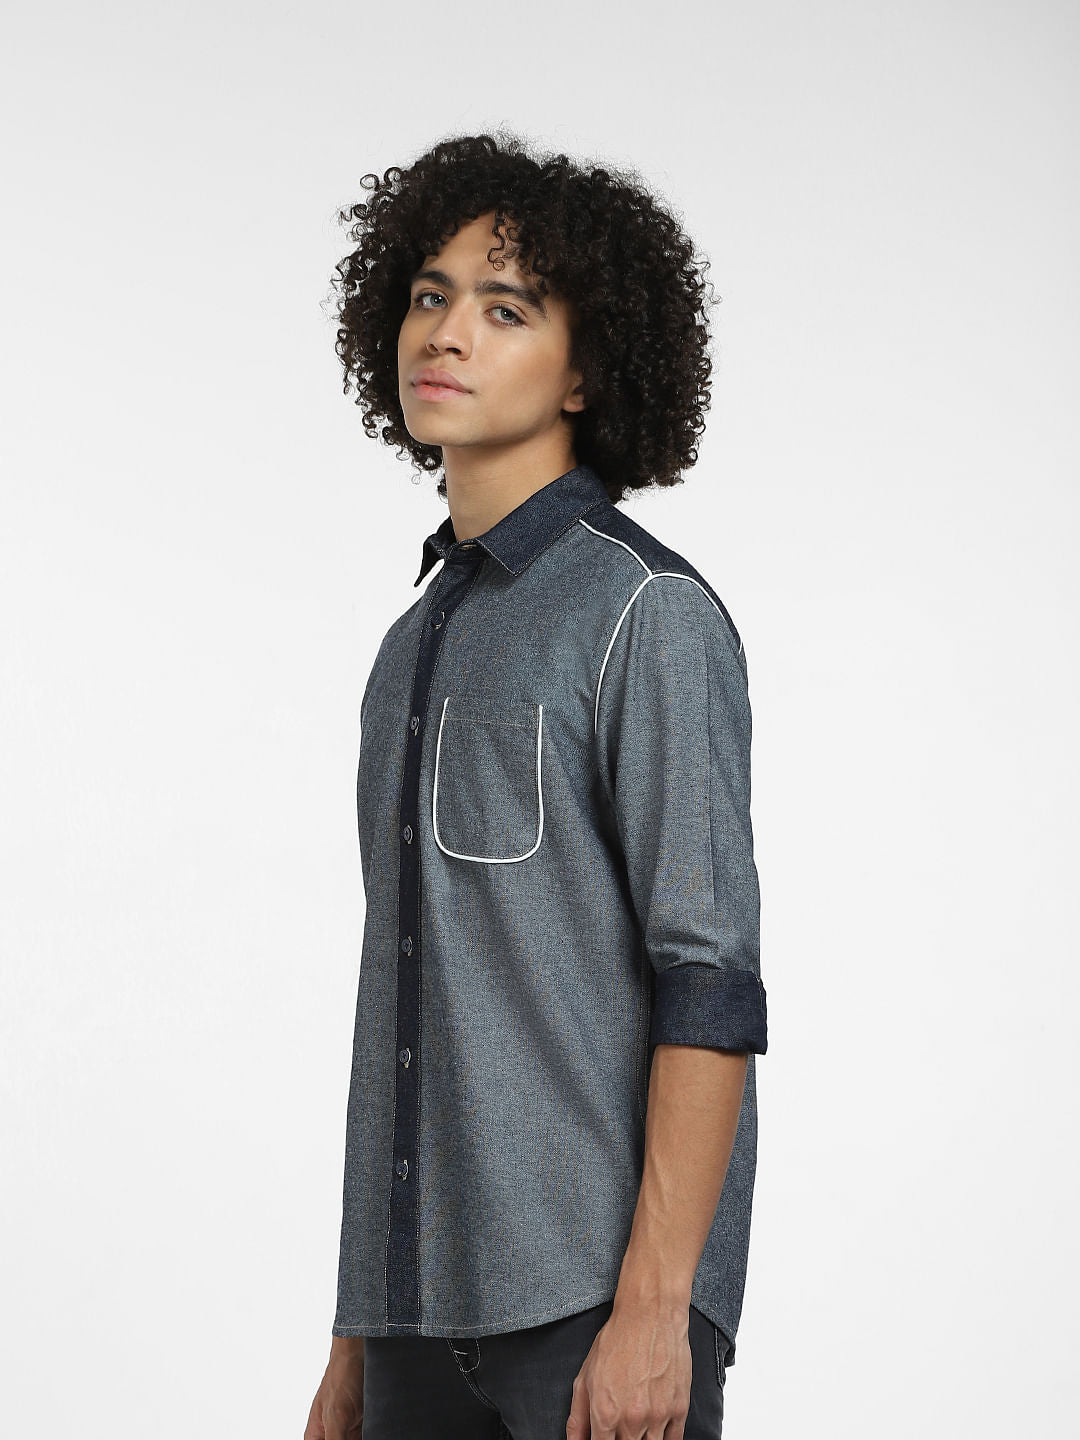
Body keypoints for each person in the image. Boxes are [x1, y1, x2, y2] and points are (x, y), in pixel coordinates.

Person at [304, 130, 768, 1440]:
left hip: (589, 1312)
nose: (447, 332)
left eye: (505, 309)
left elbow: (709, 980)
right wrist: (356, 1330)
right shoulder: (411, 645)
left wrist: (656, 1312)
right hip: (412, 1314)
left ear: (585, 370)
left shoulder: (645, 614)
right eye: (429, 294)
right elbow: (410, 994)